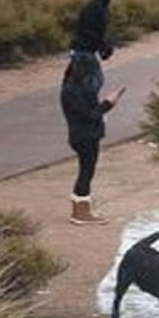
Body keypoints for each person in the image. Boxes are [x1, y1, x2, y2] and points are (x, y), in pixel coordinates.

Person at [61, 55, 125, 225]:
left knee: (86, 171)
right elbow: (90, 115)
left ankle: (81, 208)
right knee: (86, 172)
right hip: (85, 136)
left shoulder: (69, 87)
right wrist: (109, 103)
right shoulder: (77, 92)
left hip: (79, 135)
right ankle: (81, 212)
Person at [69, 0, 117, 90]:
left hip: (84, 51)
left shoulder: (98, 7)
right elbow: (89, 32)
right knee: (93, 82)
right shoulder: (95, 8)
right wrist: (102, 45)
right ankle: (88, 106)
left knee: (90, 82)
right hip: (83, 51)